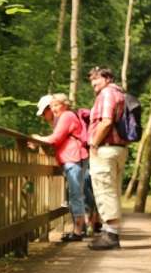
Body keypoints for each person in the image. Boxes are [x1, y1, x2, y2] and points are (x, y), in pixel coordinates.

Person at [33, 93, 88, 241]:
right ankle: (79, 229)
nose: (54, 109)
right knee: (75, 194)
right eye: (52, 106)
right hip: (72, 158)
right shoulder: (65, 117)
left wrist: (38, 139)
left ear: (65, 105)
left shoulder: (67, 116)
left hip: (73, 158)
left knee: (75, 194)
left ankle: (78, 232)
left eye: (56, 105)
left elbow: (56, 138)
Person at [86, 67, 128, 250]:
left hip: (106, 149)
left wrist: (94, 143)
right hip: (118, 149)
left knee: (104, 190)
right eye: (91, 79)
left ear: (108, 78)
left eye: (97, 78)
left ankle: (110, 236)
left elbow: (107, 121)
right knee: (113, 191)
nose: (93, 82)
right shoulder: (120, 94)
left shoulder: (107, 94)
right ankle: (110, 233)